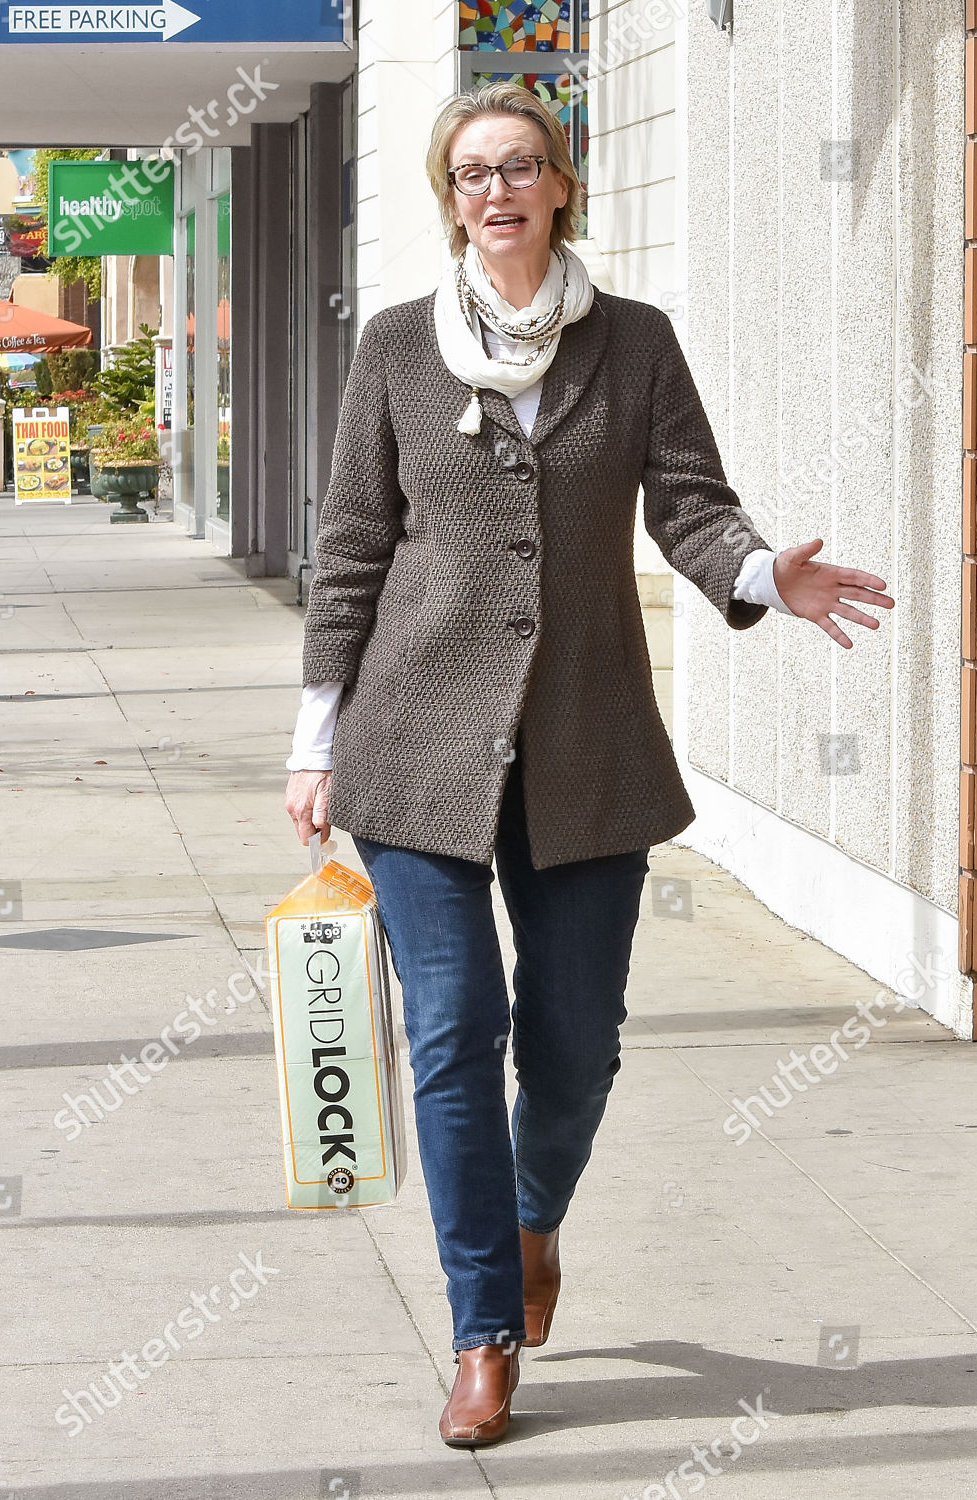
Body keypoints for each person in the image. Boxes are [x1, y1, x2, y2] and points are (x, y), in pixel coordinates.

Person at [284, 81, 894, 1448]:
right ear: (450, 200)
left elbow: (688, 501)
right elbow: (351, 550)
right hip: (413, 747)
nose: (495, 191)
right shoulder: (395, 348)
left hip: (586, 741)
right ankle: (483, 1332)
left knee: (574, 1049)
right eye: (471, 174)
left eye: (520, 168)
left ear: (563, 185)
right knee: (455, 1036)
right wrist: (314, 742)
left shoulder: (634, 343)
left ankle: (531, 1215)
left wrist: (759, 574)